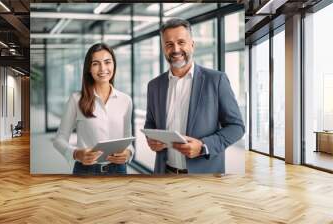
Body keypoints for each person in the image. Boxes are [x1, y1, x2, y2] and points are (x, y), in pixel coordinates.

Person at [144, 18, 245, 174]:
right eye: (169, 44)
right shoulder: (154, 86)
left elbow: (237, 127)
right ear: (164, 49)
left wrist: (204, 146)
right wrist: (151, 140)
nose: (175, 49)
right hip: (164, 173)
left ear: (192, 44)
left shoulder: (216, 80)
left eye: (181, 42)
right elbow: (150, 123)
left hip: (203, 176)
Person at [53, 43, 134, 175]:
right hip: (86, 170)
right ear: (89, 68)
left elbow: (128, 139)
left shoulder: (125, 100)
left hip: (118, 170)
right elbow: (59, 139)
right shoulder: (76, 99)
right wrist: (76, 153)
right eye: (96, 63)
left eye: (107, 62)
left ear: (114, 65)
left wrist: (128, 153)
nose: (103, 68)